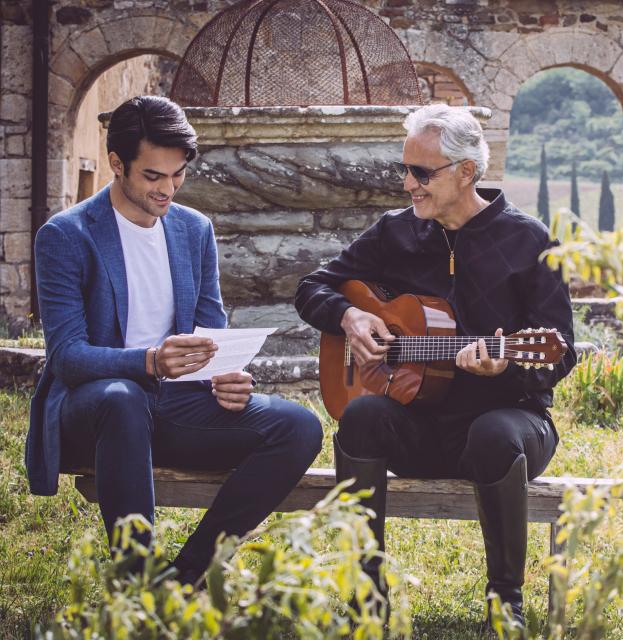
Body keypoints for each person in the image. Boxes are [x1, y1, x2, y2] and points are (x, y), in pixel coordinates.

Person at [295, 103, 576, 623]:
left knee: (494, 433)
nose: (408, 185)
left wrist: (507, 366)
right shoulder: (395, 232)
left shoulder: (529, 240)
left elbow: (560, 352)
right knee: (359, 417)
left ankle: (505, 602)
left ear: (466, 172)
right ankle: (366, 596)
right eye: (405, 170)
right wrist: (351, 316)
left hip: (509, 427)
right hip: (419, 427)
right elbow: (312, 287)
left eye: (420, 173)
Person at [25, 96, 324, 584]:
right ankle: (137, 578)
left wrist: (227, 375)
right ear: (116, 163)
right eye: (152, 176)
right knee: (123, 400)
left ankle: (187, 573)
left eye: (177, 174)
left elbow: (210, 331)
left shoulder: (193, 229)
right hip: (96, 410)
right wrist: (149, 362)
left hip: (176, 406)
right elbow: (68, 358)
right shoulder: (66, 234)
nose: (168, 189)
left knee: (299, 427)